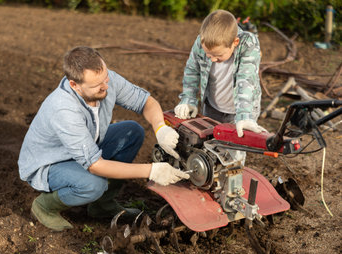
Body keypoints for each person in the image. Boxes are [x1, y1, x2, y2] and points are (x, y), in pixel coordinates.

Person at [18, 46, 189, 231]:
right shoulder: (64, 109)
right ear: (74, 85)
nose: (106, 86)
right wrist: (152, 171)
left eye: (105, 78)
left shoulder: (105, 81)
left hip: (86, 145)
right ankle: (45, 206)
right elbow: (95, 165)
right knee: (94, 184)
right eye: (97, 85)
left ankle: (102, 205)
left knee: (132, 131)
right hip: (52, 162)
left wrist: (160, 128)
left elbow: (146, 102)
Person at [175, 9, 265, 137]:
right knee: (208, 144)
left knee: (233, 151)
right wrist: (188, 99)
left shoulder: (249, 44)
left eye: (218, 55)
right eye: (208, 54)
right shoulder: (201, 41)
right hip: (212, 107)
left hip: (239, 111)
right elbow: (192, 70)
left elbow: (245, 80)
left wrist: (244, 115)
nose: (212, 59)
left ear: (235, 42)